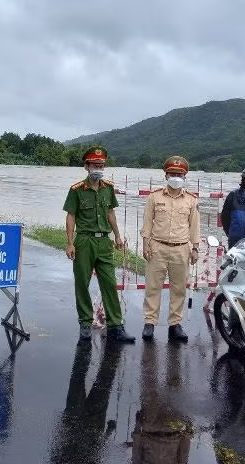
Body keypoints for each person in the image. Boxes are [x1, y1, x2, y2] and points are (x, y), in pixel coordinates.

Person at [63, 147, 135, 343]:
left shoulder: (108, 187)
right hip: (84, 241)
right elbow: (71, 216)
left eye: (102, 165)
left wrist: (118, 236)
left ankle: (115, 327)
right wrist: (69, 243)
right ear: (86, 166)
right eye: (95, 165)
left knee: (110, 284)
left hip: (104, 241)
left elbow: (111, 213)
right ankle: (85, 323)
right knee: (82, 284)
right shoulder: (76, 189)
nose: (99, 169)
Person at [140, 156, 200, 343]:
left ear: (185, 176)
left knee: (179, 288)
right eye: (172, 174)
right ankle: (150, 322)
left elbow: (194, 226)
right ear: (165, 175)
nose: (176, 177)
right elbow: (147, 223)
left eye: (179, 174)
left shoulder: (191, 200)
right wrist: (145, 245)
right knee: (152, 286)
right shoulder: (154, 197)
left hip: (181, 248)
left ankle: (175, 324)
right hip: (157, 246)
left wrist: (195, 248)